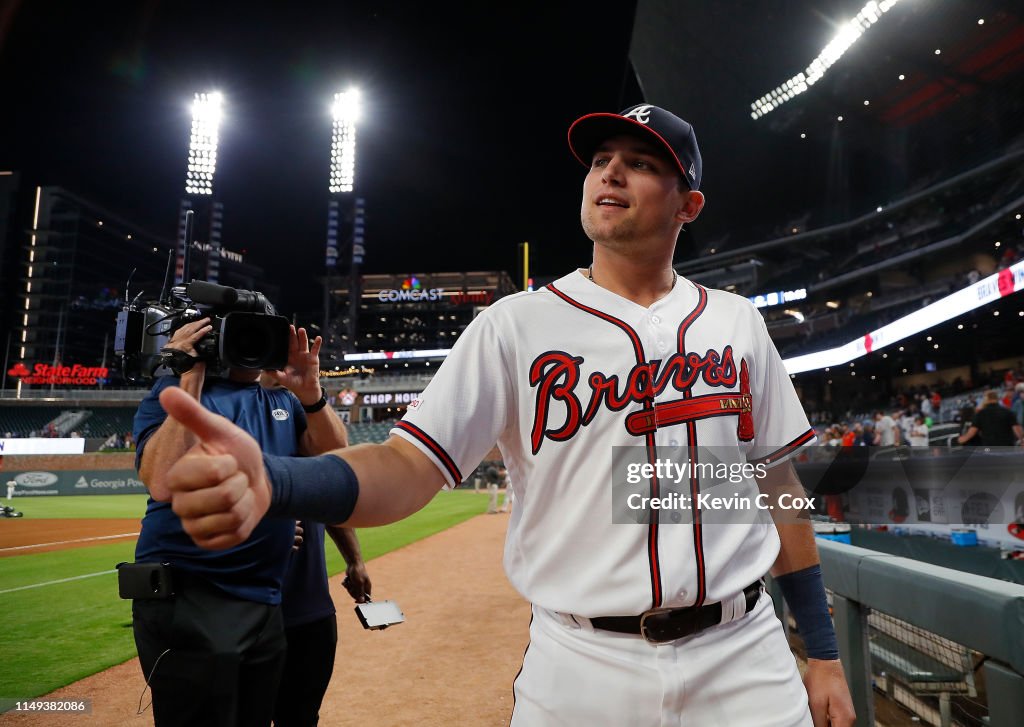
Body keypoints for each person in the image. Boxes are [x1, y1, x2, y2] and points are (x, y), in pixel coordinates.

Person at [153, 104, 855, 726]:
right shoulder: (512, 326)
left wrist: (821, 652)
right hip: (582, 663)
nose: (610, 174)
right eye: (602, 161)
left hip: (743, 655)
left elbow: (779, 486)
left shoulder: (735, 323)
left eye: (640, 165)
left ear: (687, 206)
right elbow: (405, 465)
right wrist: (281, 482)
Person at [130, 317, 349, 727]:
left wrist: (312, 395)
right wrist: (188, 374)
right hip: (191, 597)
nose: (254, 347)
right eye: (241, 337)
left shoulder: (281, 401)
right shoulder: (170, 392)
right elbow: (162, 482)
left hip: (263, 602)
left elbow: (336, 463)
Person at [259, 376, 372, 727]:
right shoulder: (239, 412)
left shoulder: (302, 417)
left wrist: (354, 559)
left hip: (310, 607)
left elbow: (332, 494)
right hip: (250, 608)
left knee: (302, 717)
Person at [958, 389, 1024, 447]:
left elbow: (972, 432)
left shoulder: (980, 414)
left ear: (986, 399)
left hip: (989, 448)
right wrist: (1022, 440)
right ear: (997, 398)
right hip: (1007, 446)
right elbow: (1017, 429)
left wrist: (961, 440)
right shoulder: (1007, 412)